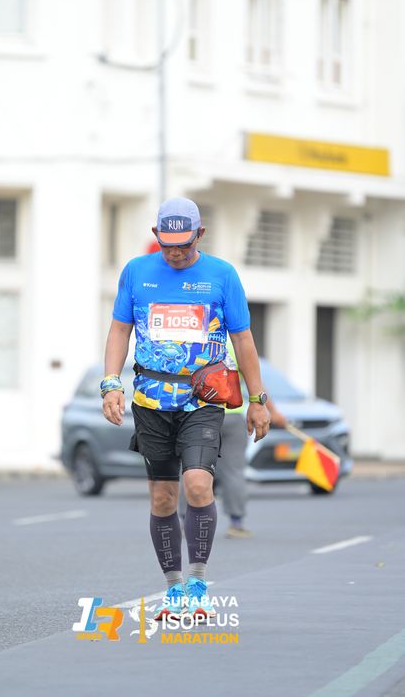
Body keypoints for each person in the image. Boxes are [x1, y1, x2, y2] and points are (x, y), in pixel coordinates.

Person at [101, 197, 270, 620]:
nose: (175, 253)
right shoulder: (136, 272)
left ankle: (198, 584)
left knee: (197, 485)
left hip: (203, 401)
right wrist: (111, 383)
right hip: (150, 401)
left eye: (184, 245)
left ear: (200, 235)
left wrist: (257, 399)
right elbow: (120, 329)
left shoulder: (222, 275)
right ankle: (173, 588)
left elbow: (243, 339)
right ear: (156, 236)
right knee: (163, 497)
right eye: (167, 244)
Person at [178, 361, 288, 539]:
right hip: (231, 416)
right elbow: (256, 382)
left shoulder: (195, 345)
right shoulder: (236, 347)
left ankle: (186, 520)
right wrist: (272, 412)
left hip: (197, 416)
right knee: (234, 471)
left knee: (192, 467)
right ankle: (236, 523)